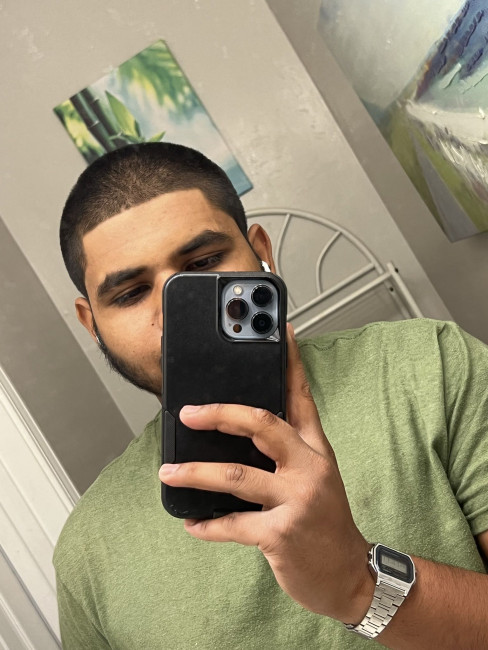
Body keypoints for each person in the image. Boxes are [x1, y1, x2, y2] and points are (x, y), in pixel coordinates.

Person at [54, 142, 488, 649]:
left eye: (205, 262)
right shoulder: (86, 554)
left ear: (263, 254)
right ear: (92, 324)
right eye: (129, 294)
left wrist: (357, 584)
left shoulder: (428, 366)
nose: (175, 317)